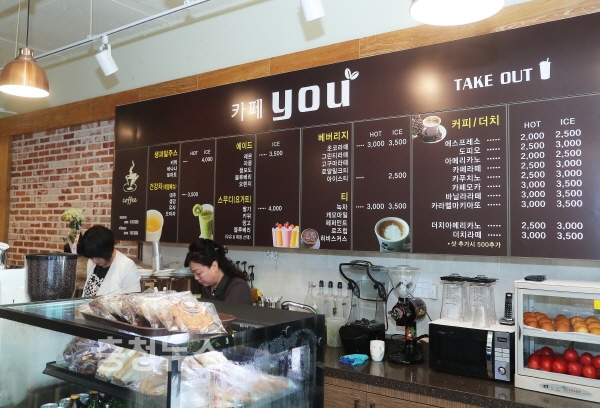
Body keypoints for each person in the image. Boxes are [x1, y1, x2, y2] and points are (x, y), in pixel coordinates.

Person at [77, 225, 141, 297]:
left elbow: (132, 300)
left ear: (107, 250)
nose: (94, 260)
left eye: (97, 256)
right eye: (91, 257)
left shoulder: (126, 266)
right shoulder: (91, 262)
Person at [185, 238, 252, 305]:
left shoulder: (238, 287)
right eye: (193, 273)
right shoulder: (207, 287)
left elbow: (230, 312)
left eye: (198, 273)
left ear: (214, 266)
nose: (196, 278)